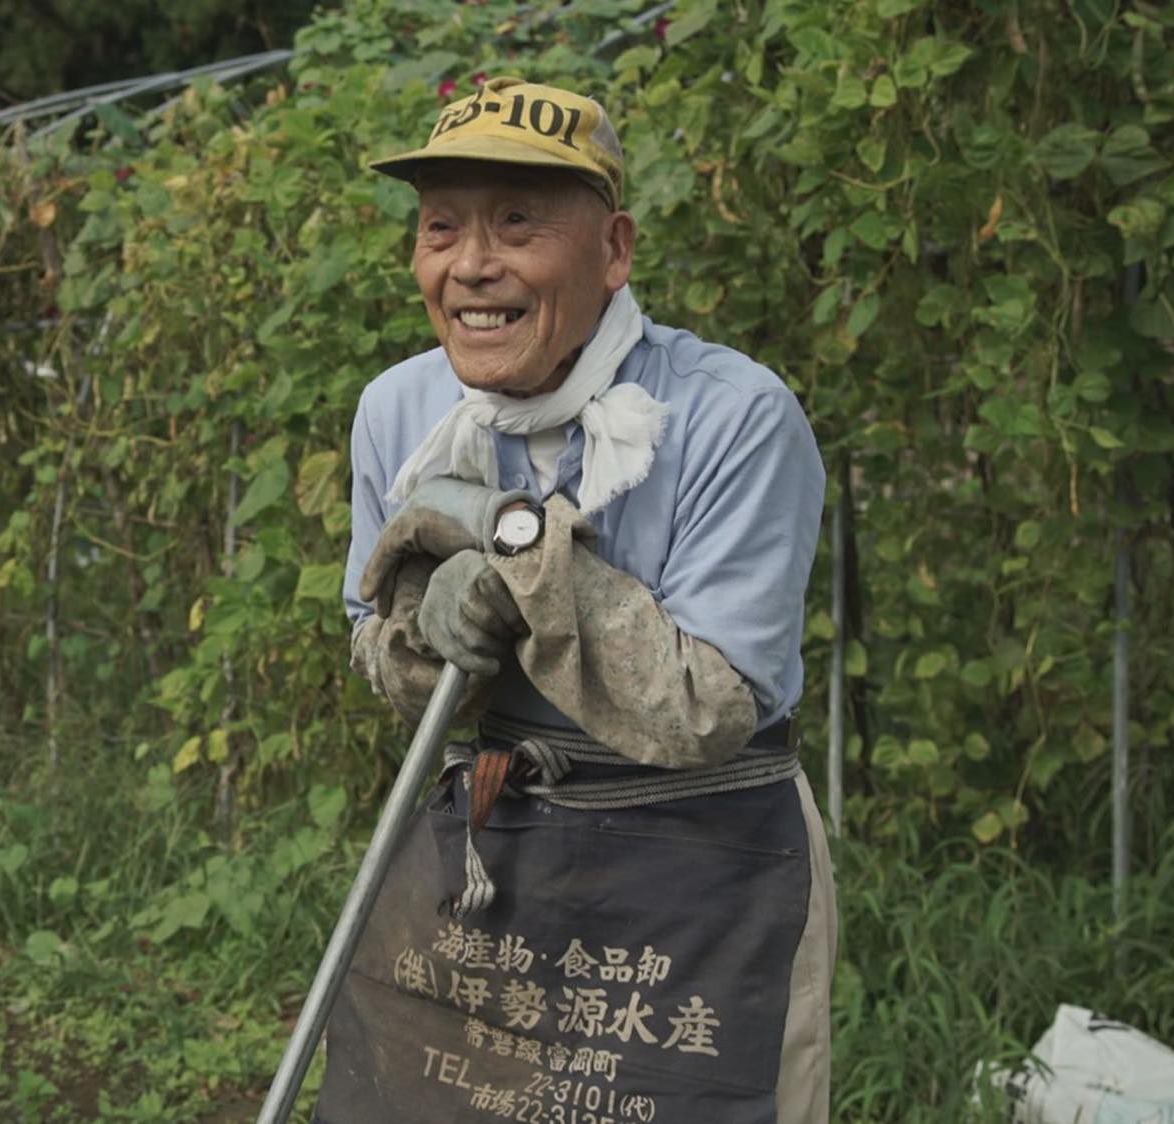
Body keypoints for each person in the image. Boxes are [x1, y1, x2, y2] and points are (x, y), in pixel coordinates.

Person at [317, 78, 834, 1123]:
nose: (472, 263)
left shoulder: (730, 416)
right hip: (488, 840)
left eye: (517, 222)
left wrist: (518, 557)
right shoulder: (401, 410)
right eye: (441, 227)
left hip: (702, 855)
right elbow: (377, 650)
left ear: (613, 251)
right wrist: (420, 628)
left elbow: (703, 707)